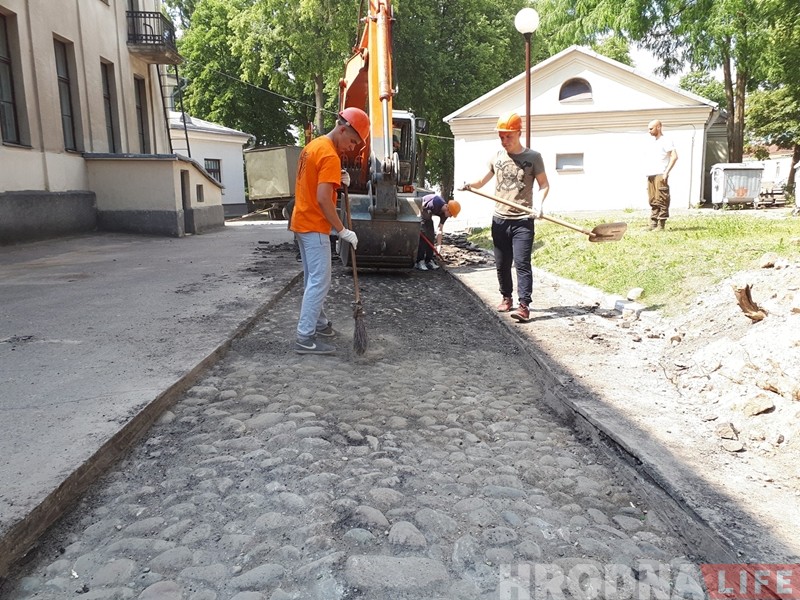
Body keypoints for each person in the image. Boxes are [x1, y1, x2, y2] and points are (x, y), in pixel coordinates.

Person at [291, 107, 370, 355]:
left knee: (313, 278)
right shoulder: (329, 156)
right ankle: (304, 337)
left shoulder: (313, 147)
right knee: (320, 281)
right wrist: (342, 230)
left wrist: (338, 177)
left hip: (302, 222)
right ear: (343, 128)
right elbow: (324, 199)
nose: (352, 147)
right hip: (315, 226)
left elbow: (315, 182)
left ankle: (320, 323)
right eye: (353, 141)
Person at [460, 111, 550, 322]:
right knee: (501, 263)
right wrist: (469, 185)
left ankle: (524, 305)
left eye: (508, 136)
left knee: (521, 262)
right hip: (499, 219)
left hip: (522, 221)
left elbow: (544, 184)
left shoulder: (533, 157)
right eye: (501, 136)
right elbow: (482, 181)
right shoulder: (497, 157)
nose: (504, 140)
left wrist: (541, 205)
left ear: (519, 133)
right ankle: (506, 297)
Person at [646, 119, 678, 231]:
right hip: (651, 174)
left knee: (662, 199)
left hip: (660, 173)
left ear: (658, 127)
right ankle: (653, 223)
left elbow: (674, 156)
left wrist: (666, 172)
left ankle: (661, 224)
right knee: (653, 199)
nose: (649, 131)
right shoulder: (653, 142)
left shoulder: (666, 140)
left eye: (651, 128)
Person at [415, 194, 460, 271]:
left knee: (431, 235)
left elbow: (440, 229)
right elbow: (419, 209)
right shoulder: (435, 203)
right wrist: (417, 225)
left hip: (428, 215)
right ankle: (419, 261)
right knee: (424, 235)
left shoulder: (445, 214)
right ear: (447, 208)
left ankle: (429, 260)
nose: (450, 216)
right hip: (421, 210)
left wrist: (438, 247)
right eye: (451, 214)